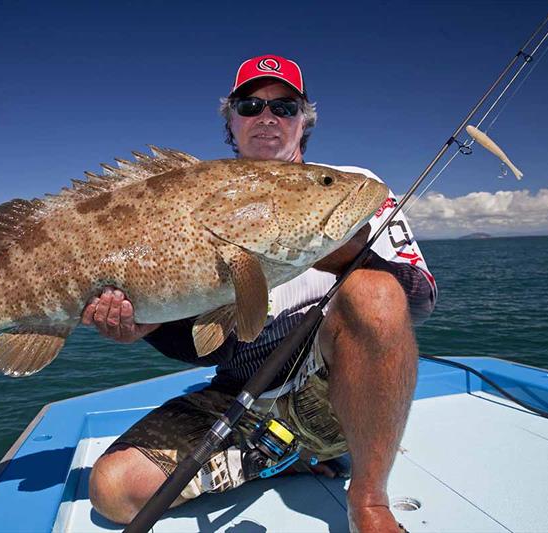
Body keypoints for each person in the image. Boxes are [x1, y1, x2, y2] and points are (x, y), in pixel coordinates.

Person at [84, 54, 436, 532]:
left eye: (284, 107)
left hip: (329, 399)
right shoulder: (197, 198)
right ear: (231, 119)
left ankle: (369, 500)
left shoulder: (352, 186)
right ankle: (276, 457)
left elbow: (417, 300)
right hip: (242, 395)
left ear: (304, 119)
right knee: (113, 489)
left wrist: (332, 250)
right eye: (250, 105)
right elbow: (206, 347)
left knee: (375, 291)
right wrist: (147, 325)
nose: (267, 117)